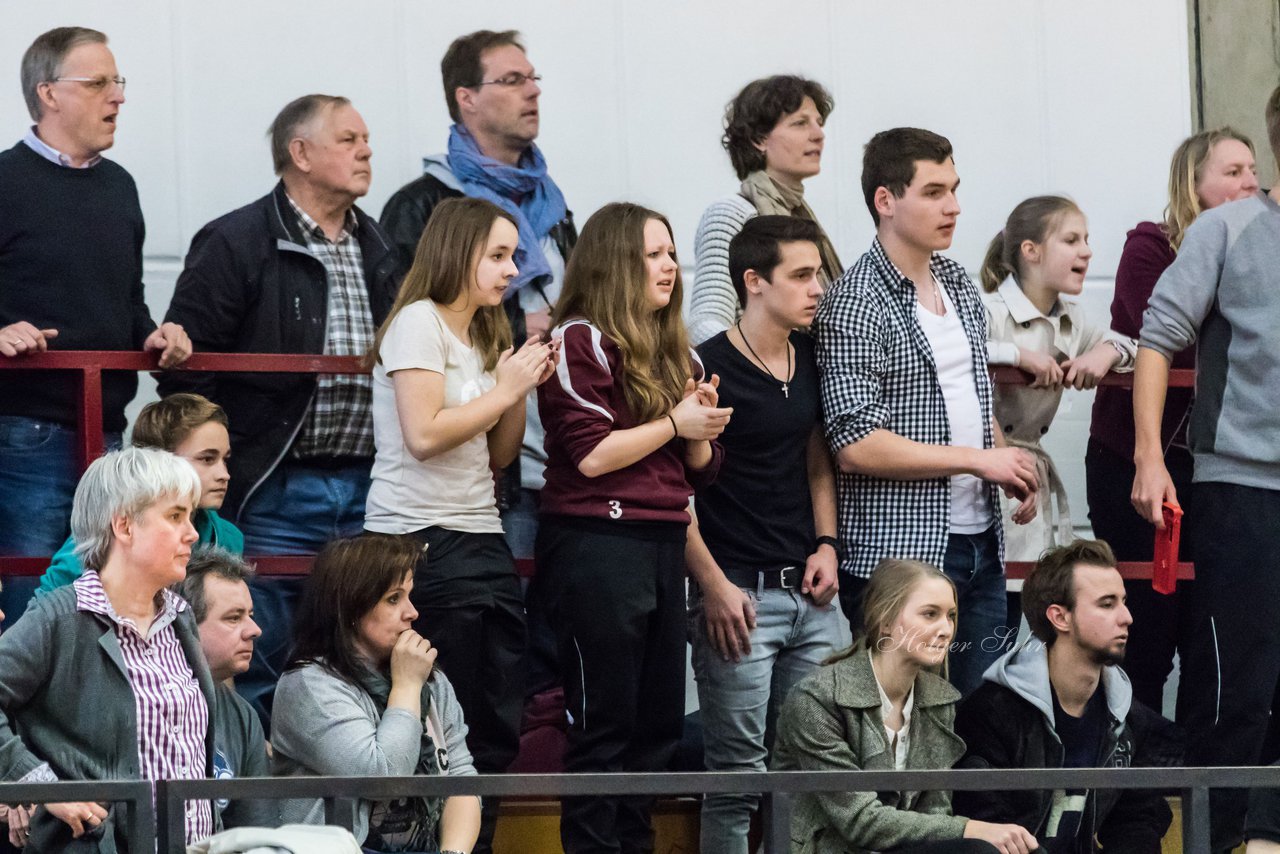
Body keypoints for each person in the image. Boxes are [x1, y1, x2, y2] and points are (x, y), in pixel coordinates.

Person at [160, 93, 400, 726]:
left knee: (363, 655)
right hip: (273, 483)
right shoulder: (236, 241)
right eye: (348, 139)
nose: (366, 149)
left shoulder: (384, 249)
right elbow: (187, 370)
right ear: (300, 153)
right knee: (256, 649)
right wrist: (225, 460)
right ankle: (260, 803)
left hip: (371, 484)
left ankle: (359, 808)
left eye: (364, 138)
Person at [813, 127, 1038, 695]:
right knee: (899, 722)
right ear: (885, 202)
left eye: (954, 189)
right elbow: (855, 444)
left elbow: (970, 396)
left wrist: (1003, 459)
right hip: (901, 552)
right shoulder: (854, 299)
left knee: (967, 715)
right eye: (934, 191)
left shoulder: (959, 281)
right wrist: (978, 461)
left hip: (980, 541)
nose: (954, 206)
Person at [537, 202, 728, 853]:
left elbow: (697, 473)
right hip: (598, 545)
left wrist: (699, 424)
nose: (669, 265)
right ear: (615, 261)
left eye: (671, 252)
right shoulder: (580, 337)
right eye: (652, 254)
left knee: (656, 732)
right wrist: (677, 424)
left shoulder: (680, 353)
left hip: (661, 542)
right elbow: (592, 455)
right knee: (603, 729)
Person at [365, 196, 553, 851]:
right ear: (456, 253)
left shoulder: (485, 333)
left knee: (495, 719)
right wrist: (503, 391)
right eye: (497, 256)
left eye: (513, 257)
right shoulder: (418, 322)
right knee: (440, 726)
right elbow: (423, 435)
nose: (510, 271)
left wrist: (518, 387)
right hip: (419, 540)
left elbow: (500, 455)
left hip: (480, 534)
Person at [0, 26, 191, 625]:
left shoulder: (119, 186)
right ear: (49, 93)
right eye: (100, 82)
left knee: (108, 599)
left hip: (108, 434)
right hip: (27, 433)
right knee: (36, 605)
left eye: (118, 82)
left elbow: (125, 300)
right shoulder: (4, 181)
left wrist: (155, 334)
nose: (118, 96)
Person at [1131, 86, 1280, 850]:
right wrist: (1151, 456)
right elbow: (1157, 336)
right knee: (1237, 684)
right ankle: (1220, 840)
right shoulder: (1227, 229)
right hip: (1241, 485)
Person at [380, 29, 576, 568]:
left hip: (555, 453)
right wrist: (522, 328)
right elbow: (408, 320)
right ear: (466, 98)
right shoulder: (423, 206)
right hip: (472, 489)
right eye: (512, 80)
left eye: (533, 79)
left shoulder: (553, 204)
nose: (532, 92)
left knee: (544, 641)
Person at [1087, 127, 1257, 715]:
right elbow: (1169, 336)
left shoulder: (1259, 244)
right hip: (1132, 456)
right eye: (1233, 171)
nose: (1250, 182)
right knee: (1144, 621)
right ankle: (1136, 780)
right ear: (1194, 182)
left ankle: (1190, 780)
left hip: (1212, 462)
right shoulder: (1151, 244)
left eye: (1253, 170)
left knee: (1205, 621)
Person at [686, 215, 842, 854]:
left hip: (812, 592)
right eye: (801, 276)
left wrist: (828, 544)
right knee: (736, 779)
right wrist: (714, 586)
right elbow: (678, 494)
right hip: (738, 595)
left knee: (816, 771)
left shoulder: (810, 355)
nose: (817, 289)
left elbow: (815, 457)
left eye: (818, 274)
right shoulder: (708, 365)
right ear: (754, 281)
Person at [0, 447, 215, 850]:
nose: (192, 533)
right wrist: (41, 786)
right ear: (124, 527)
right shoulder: (58, 617)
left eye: (190, 517)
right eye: (175, 516)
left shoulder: (181, 619)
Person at [772, 558, 1038, 854]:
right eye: (929, 614)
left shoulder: (939, 700)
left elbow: (936, 812)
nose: (946, 629)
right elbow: (859, 819)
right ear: (885, 620)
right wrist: (969, 829)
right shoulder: (817, 698)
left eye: (950, 615)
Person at [953, 539, 1175, 854]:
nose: (1127, 617)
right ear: (1060, 617)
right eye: (1107, 604)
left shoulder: (1128, 719)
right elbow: (986, 828)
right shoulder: (991, 714)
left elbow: (1138, 822)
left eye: (1123, 601)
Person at [272, 535, 480, 854]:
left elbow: (462, 779)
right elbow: (383, 778)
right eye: (393, 599)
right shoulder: (310, 683)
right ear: (352, 606)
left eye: (409, 596)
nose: (412, 612)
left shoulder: (429, 678)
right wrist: (408, 686)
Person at [979, 196, 1135, 561]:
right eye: (1071, 240)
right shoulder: (986, 309)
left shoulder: (1073, 318)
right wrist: (1019, 357)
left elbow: (1134, 347)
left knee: (1027, 596)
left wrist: (1104, 353)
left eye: (1087, 239)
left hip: (1030, 476)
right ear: (1030, 251)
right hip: (980, 474)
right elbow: (960, 353)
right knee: (988, 599)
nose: (1087, 251)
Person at [689, 74, 842, 344]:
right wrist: (759, 365)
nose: (818, 135)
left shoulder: (799, 215)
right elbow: (705, 323)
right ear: (759, 139)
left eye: (819, 124)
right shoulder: (731, 214)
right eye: (800, 123)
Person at [39, 392, 241, 594]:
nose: (224, 475)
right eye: (207, 459)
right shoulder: (110, 529)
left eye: (225, 459)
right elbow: (49, 603)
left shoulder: (228, 537)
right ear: (160, 460)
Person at [177, 548, 274, 830]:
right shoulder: (140, 700)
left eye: (251, 615)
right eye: (234, 618)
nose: (254, 629)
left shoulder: (243, 715)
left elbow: (256, 832)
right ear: (184, 624)